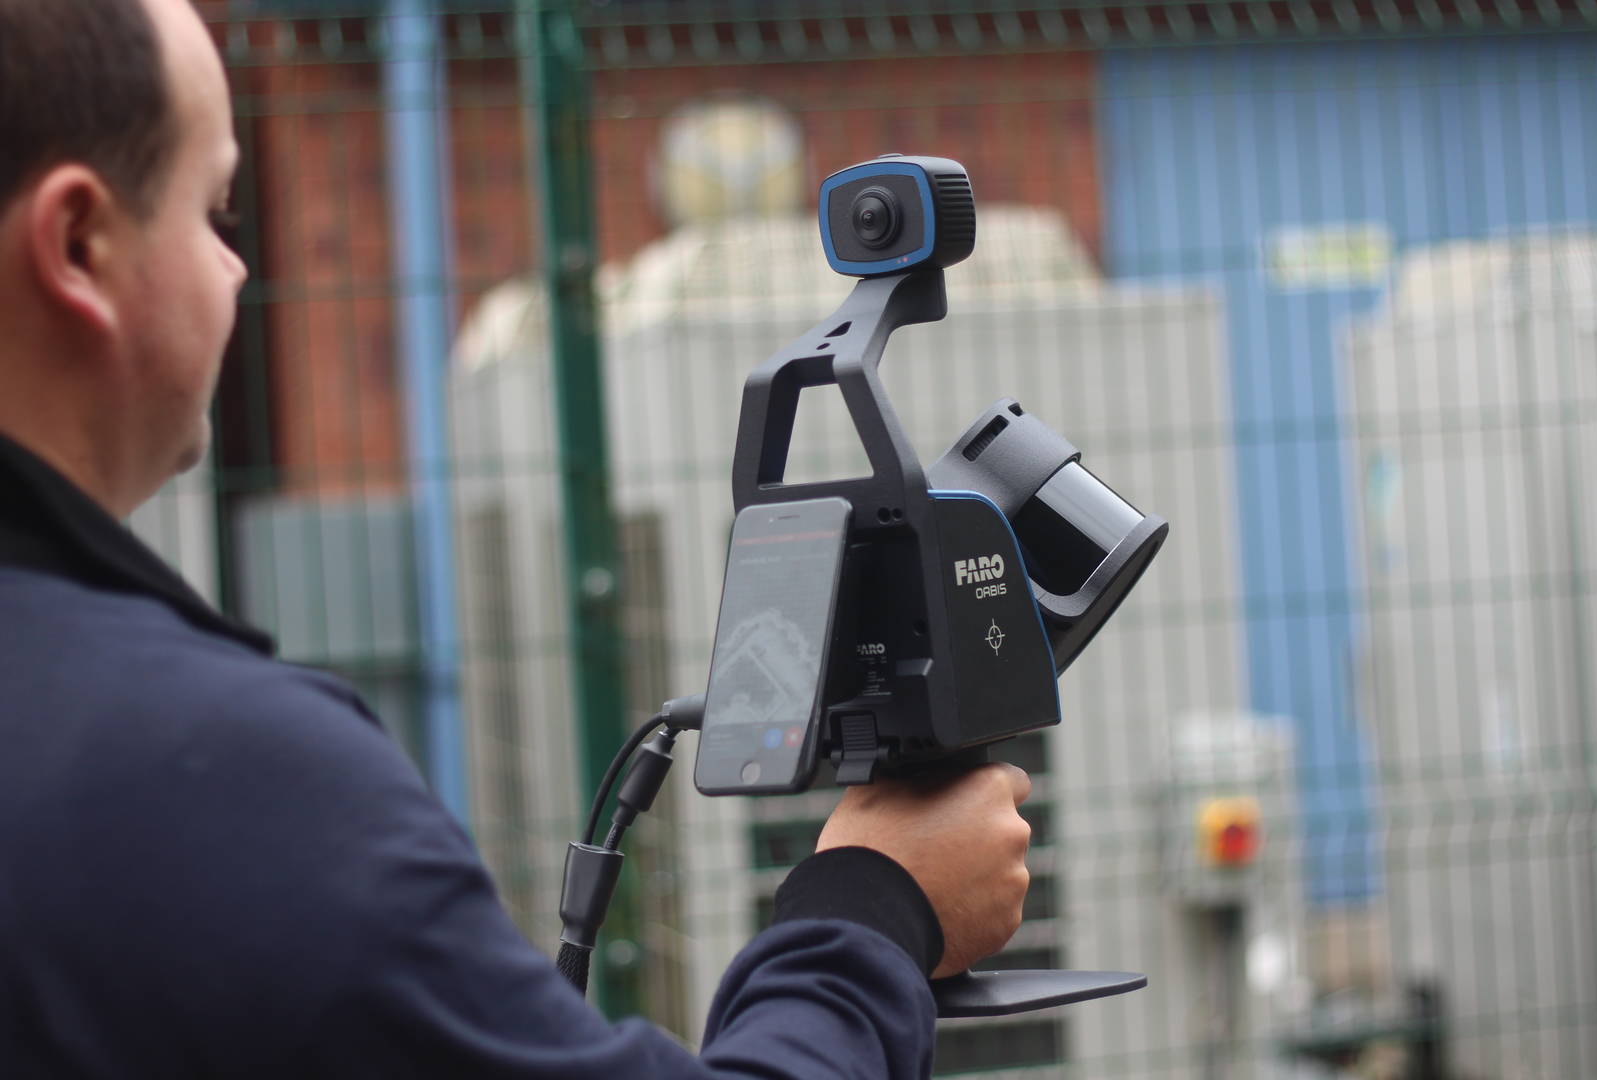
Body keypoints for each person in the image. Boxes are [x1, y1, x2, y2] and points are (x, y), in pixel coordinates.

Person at [0, 1, 1034, 1076]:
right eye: (215, 213)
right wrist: (872, 907)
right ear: (79, 244)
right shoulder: (210, 778)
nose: (237, 272)